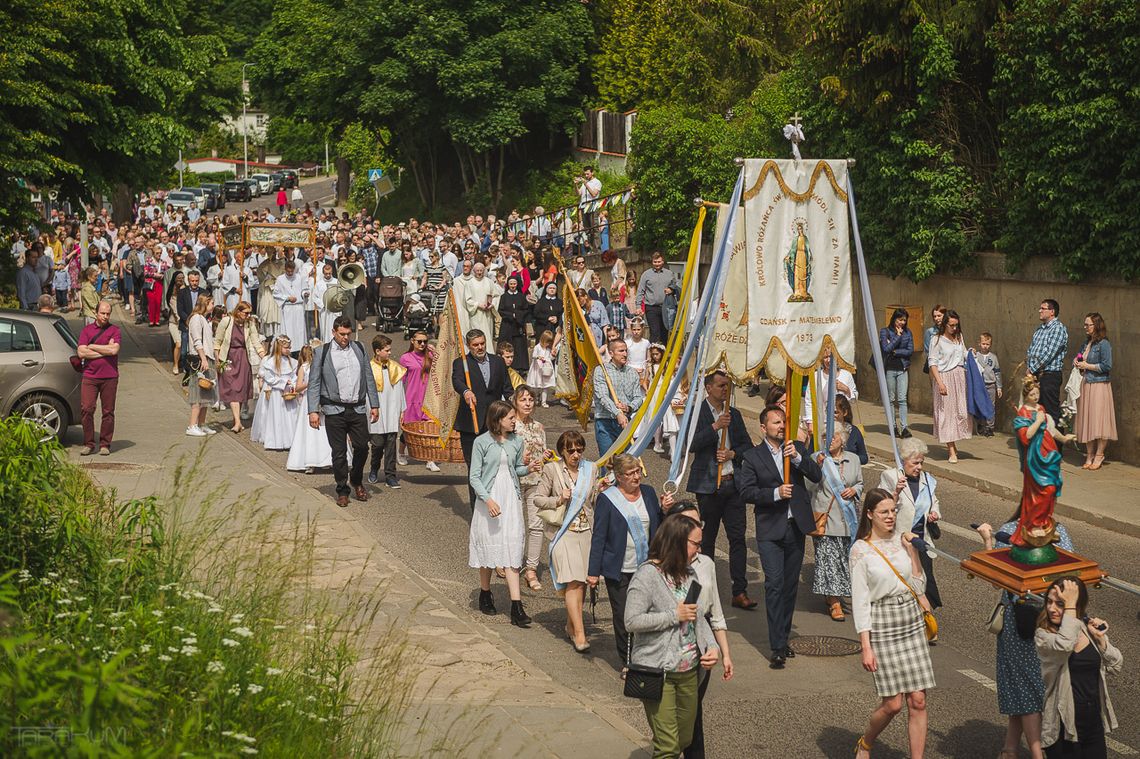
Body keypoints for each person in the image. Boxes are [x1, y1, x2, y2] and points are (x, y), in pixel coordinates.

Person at [976, 517, 1074, 759]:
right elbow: (996, 578)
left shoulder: (1058, 531)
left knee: (1027, 688)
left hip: (1042, 622)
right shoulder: (1014, 530)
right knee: (1025, 688)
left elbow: (1071, 578)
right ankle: (1030, 752)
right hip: (1022, 622)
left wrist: (989, 540)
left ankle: (1012, 749)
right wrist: (990, 540)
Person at [624, 515, 720, 759]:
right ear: (677, 542)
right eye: (695, 544)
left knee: (685, 739)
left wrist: (711, 647)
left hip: (689, 671)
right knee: (667, 747)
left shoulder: (691, 575)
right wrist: (672, 614)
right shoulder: (647, 576)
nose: (699, 550)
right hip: (658, 672)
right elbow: (632, 621)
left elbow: (697, 618)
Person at [851, 489, 937, 759]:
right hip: (883, 625)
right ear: (869, 514)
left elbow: (919, 585)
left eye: (893, 511)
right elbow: (861, 602)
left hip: (910, 620)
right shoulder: (860, 550)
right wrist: (866, 645)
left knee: (918, 701)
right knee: (893, 704)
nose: (890, 517)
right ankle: (866, 742)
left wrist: (912, 552)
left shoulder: (903, 540)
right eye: (884, 512)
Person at [737, 404, 822, 669]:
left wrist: (798, 457)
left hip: (795, 527)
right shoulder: (752, 457)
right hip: (770, 528)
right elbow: (747, 492)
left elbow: (816, 475)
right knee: (773, 584)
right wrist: (775, 494)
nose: (781, 426)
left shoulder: (794, 448)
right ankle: (775, 646)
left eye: (783, 422)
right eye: (775, 423)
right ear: (763, 427)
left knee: (789, 586)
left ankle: (784, 638)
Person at [662, 503, 733, 759]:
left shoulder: (705, 565)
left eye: (698, 524)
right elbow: (635, 619)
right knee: (672, 728)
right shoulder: (654, 569)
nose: (697, 531)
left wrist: (723, 652)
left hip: (699, 652)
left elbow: (713, 613)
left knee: (693, 717)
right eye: (690, 526)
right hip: (667, 654)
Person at [686, 370, 757, 610]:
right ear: (708, 388)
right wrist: (716, 426)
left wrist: (732, 454)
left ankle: (740, 590)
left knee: (737, 539)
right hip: (708, 486)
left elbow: (748, 446)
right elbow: (691, 444)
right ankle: (703, 591)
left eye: (727, 386)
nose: (725, 390)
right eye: (720, 386)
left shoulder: (733, 414)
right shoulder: (698, 413)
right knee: (706, 540)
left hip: (732, 484)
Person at [469, 400, 542, 626]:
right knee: (489, 545)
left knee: (511, 545)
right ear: (498, 420)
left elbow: (515, 468)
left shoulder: (516, 441)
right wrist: (488, 500)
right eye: (510, 417)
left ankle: (516, 607)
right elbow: (474, 477)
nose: (514, 420)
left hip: (510, 497)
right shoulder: (481, 442)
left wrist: (528, 468)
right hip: (489, 498)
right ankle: (485, 592)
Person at [588, 453, 664, 665]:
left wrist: (665, 510)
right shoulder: (608, 499)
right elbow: (599, 536)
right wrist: (593, 572)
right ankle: (628, 661)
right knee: (623, 617)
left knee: (646, 614)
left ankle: (645, 657)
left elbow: (658, 524)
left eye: (638, 472)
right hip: (619, 568)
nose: (636, 477)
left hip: (646, 568)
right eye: (630, 473)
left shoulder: (648, 493)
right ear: (619, 476)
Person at [1037, 577, 1122, 758]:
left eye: (1060, 603)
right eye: (1049, 602)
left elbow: (1115, 665)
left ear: (1078, 605)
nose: (1052, 608)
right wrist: (1069, 606)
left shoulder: (1085, 628)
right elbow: (1065, 644)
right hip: (1063, 727)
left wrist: (1100, 641)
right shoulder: (1044, 635)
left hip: (1092, 724)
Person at [307, 316, 381, 507]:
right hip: (334, 409)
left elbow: (368, 376)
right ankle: (342, 489)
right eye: (341, 334)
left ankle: (356, 479)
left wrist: (374, 404)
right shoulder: (322, 352)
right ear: (333, 332)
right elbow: (314, 383)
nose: (345, 338)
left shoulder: (359, 348)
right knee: (339, 452)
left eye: (348, 334)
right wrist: (313, 410)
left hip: (356, 407)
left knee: (363, 447)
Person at [534, 430, 597, 652]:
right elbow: (538, 498)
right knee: (572, 580)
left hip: (586, 530)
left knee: (581, 581)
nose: (576, 454)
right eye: (571, 450)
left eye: (580, 450)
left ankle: (571, 625)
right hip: (563, 532)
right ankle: (580, 634)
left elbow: (593, 500)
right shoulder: (552, 469)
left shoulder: (592, 470)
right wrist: (559, 499)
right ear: (562, 450)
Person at [878, 437, 943, 622]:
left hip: (921, 540)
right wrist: (896, 493)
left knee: (924, 580)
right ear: (903, 461)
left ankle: (925, 620)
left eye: (922, 462)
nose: (919, 467)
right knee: (902, 581)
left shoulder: (928, 480)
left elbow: (934, 502)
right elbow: (880, 506)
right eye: (915, 463)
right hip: (899, 540)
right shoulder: (890, 477)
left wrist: (934, 513)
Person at [809, 422, 864, 622]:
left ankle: (835, 593)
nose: (828, 440)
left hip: (847, 518)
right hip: (825, 517)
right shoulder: (817, 458)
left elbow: (860, 482)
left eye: (832, 436)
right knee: (827, 560)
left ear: (842, 439)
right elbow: (807, 485)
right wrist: (818, 468)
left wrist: (855, 490)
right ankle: (834, 601)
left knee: (843, 559)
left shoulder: (854, 459)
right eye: (825, 436)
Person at [1012, 377, 1074, 549]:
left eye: (1037, 393)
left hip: (1049, 452)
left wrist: (1064, 438)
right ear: (1026, 395)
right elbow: (1026, 437)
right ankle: (1033, 524)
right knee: (1042, 491)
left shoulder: (1041, 408)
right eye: (1032, 394)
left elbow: (1050, 430)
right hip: (1034, 458)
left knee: (1052, 489)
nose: (1036, 397)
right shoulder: (1023, 412)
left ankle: (1045, 523)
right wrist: (1038, 420)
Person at [453, 329, 512, 509]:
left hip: (494, 423)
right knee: (475, 469)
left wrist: (516, 406)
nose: (480, 347)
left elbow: (507, 388)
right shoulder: (461, 363)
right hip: (471, 424)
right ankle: (477, 509)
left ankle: (494, 503)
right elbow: (456, 381)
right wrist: (466, 391)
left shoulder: (498, 362)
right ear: (469, 346)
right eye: (475, 345)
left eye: (482, 343)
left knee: (495, 465)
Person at [511, 385, 548, 591]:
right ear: (515, 402)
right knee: (516, 527)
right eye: (523, 400)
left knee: (536, 525)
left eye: (531, 400)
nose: (527, 403)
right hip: (514, 482)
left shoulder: (539, 427)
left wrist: (546, 457)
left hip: (535, 481)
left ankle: (531, 569)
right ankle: (511, 563)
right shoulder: (510, 426)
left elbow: (541, 452)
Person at [76, 300, 121, 456]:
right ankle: (89, 443)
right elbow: (81, 353)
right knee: (86, 409)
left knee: (108, 411)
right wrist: (105, 350)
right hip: (90, 376)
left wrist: (93, 347)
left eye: (108, 314)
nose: (105, 316)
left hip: (110, 377)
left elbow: (114, 350)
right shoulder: (87, 331)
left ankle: (105, 444)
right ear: (96, 313)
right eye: (102, 313)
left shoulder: (115, 330)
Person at [286, 345, 339, 473]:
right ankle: (309, 460)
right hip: (307, 400)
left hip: (322, 398)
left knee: (324, 429)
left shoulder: (324, 366)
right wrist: (310, 383)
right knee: (309, 430)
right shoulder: (303, 368)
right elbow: (298, 387)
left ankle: (325, 459)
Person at [928, 308, 970, 463]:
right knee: (946, 413)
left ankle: (954, 442)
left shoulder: (959, 337)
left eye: (956, 325)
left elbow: (964, 353)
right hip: (944, 376)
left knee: (960, 412)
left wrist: (972, 354)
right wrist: (940, 383)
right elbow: (932, 362)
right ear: (944, 324)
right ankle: (951, 449)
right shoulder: (936, 340)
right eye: (951, 325)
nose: (954, 328)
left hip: (959, 377)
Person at [1074, 313, 1116, 470]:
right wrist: (1077, 361)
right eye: (1085, 324)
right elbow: (1080, 356)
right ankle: (1089, 454)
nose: (1085, 327)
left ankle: (1099, 454)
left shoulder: (1104, 344)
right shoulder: (1086, 342)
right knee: (1087, 420)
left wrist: (1087, 366)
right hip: (1086, 384)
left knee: (1100, 420)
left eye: (1088, 325)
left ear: (1096, 326)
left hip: (1099, 385)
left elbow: (1107, 366)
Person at [214, 302, 264, 434]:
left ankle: (237, 420)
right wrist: (217, 359)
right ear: (238, 311)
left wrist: (264, 356)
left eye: (249, 313)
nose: (248, 315)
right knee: (233, 389)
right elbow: (217, 341)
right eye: (246, 313)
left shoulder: (250, 324)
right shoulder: (227, 321)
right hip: (229, 357)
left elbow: (255, 342)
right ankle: (237, 422)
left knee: (240, 390)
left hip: (243, 358)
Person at [592, 339, 645, 460]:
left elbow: (638, 398)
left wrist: (629, 407)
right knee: (607, 462)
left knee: (626, 462)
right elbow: (602, 397)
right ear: (611, 353)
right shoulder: (601, 371)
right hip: (605, 421)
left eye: (626, 350)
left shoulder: (632, 373)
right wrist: (617, 413)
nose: (625, 354)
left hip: (625, 422)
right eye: (621, 351)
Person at [397, 330, 440, 472]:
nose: (422, 344)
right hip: (412, 398)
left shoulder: (430, 356)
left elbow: (440, 370)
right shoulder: (405, 358)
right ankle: (401, 452)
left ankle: (430, 459)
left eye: (425, 341)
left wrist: (436, 353)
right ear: (412, 341)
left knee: (429, 430)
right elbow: (400, 381)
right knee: (410, 430)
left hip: (427, 399)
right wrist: (399, 401)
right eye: (419, 341)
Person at [251, 336, 300, 450]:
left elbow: (294, 376)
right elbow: (269, 378)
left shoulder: (292, 362)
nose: (289, 350)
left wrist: (291, 383)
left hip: (289, 393)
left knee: (290, 415)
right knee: (277, 416)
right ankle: (276, 441)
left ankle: (290, 439)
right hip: (277, 393)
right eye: (286, 348)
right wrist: (282, 384)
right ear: (279, 347)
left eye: (290, 348)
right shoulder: (270, 362)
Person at [1026, 299, 1068, 427]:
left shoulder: (1058, 328)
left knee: (1051, 411)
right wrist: (1029, 367)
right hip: (1036, 374)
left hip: (1050, 375)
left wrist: (1032, 368)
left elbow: (1049, 354)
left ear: (1052, 312)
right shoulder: (1039, 329)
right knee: (1038, 410)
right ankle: (1042, 443)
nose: (1040, 311)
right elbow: (1031, 350)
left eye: (1043, 308)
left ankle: (1056, 444)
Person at [186, 294, 219, 437]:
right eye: (211, 303)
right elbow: (197, 340)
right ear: (205, 303)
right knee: (198, 393)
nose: (213, 305)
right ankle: (192, 425)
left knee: (206, 394)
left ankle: (201, 423)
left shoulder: (204, 319)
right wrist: (203, 358)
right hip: (200, 360)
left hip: (207, 357)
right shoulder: (196, 319)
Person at [879, 307, 914, 438]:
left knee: (902, 399)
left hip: (902, 368)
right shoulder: (885, 332)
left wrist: (896, 352)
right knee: (890, 399)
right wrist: (898, 338)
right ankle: (892, 426)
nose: (902, 323)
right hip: (889, 369)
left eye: (904, 320)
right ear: (894, 319)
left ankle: (904, 427)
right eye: (900, 319)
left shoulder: (908, 333)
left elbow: (910, 350)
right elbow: (885, 348)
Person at [637, 252, 677, 344]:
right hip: (651, 307)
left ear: (663, 262)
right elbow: (640, 291)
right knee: (655, 332)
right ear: (652, 262)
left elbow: (675, 287)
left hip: (666, 307)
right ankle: (653, 354)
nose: (657, 264)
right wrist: (638, 306)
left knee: (664, 332)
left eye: (659, 262)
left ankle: (663, 355)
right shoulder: (646, 274)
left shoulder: (669, 274)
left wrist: (671, 290)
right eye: (655, 262)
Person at [272, 259, 310, 353]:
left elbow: (305, 289)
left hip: (298, 308)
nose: (290, 273)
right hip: (288, 307)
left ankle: (300, 349)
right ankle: (288, 348)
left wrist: (305, 294)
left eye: (291, 271)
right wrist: (287, 298)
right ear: (285, 269)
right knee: (289, 329)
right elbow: (276, 294)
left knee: (300, 330)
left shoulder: (299, 277)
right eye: (288, 271)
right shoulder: (280, 279)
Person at [497, 277, 530, 373]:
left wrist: (518, 316)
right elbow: (501, 310)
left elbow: (526, 309)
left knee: (519, 346)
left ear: (517, 284)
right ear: (508, 285)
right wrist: (511, 315)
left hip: (518, 325)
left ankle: (520, 367)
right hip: (507, 325)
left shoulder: (521, 296)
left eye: (514, 284)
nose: (512, 286)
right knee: (506, 344)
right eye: (511, 284)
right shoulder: (504, 296)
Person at [973, 332, 1003, 437]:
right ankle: (981, 424)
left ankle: (990, 427)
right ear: (979, 344)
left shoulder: (993, 357)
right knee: (980, 405)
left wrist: (999, 387)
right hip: (980, 385)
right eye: (983, 344)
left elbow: (997, 372)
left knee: (991, 406)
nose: (985, 346)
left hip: (991, 385)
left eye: (987, 344)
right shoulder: (976, 356)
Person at [464, 263, 498, 352]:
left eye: (481, 270)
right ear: (474, 271)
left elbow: (496, 296)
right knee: (477, 335)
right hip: (476, 314)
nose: (479, 272)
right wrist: (478, 305)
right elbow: (468, 300)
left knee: (488, 335)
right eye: (477, 271)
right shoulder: (469, 283)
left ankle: (489, 353)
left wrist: (492, 304)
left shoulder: (489, 282)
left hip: (487, 315)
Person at [525, 329, 558, 407]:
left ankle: (543, 401)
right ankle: (536, 399)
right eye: (547, 342)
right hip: (538, 369)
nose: (548, 344)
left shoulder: (548, 349)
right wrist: (538, 357)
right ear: (543, 340)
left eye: (549, 342)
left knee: (545, 386)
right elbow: (533, 355)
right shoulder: (537, 347)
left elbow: (550, 358)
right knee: (537, 386)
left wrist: (553, 355)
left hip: (546, 369)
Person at [837, 395, 869, 465]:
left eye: (836, 412)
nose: (831, 415)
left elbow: (864, 458)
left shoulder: (854, 431)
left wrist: (849, 458)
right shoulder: (823, 431)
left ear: (845, 412)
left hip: (849, 472)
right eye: (828, 411)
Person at [922, 304, 945, 370]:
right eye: (934, 316)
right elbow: (928, 351)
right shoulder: (930, 331)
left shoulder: (950, 330)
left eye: (939, 316)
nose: (936, 318)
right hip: (935, 365)